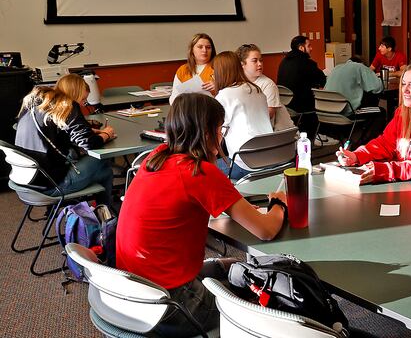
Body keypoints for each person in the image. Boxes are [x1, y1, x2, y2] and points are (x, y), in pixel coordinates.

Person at [116, 93, 286, 337]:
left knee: (240, 269)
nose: (222, 135)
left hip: (137, 290)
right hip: (173, 303)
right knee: (266, 304)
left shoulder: (155, 158)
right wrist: (279, 205)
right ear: (207, 132)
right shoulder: (198, 171)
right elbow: (266, 230)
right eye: (220, 128)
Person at [15, 74, 116, 205]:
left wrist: (87, 131)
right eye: (83, 99)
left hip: (26, 181)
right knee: (102, 159)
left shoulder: (37, 102)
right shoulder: (68, 104)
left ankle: (100, 214)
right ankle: (102, 214)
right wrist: (107, 134)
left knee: (105, 172)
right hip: (53, 184)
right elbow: (88, 143)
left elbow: (56, 130)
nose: (82, 104)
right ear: (74, 94)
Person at [213, 51, 274, 180]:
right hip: (271, 159)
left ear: (219, 73)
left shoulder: (225, 95)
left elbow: (215, 130)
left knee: (202, 168)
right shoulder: (257, 90)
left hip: (245, 165)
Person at [277, 35, 326, 141]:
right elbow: (322, 81)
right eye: (309, 46)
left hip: (286, 106)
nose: (311, 48)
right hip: (301, 108)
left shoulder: (283, 62)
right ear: (301, 48)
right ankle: (313, 139)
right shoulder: (307, 63)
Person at [237, 44, 294, 131]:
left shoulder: (268, 84)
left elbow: (269, 114)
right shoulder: (238, 83)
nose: (259, 64)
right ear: (242, 64)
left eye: (261, 60)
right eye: (254, 61)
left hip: (272, 133)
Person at [170, 33, 217, 103]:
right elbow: (174, 97)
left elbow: (231, 91)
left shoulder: (219, 67)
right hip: (187, 109)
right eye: (200, 47)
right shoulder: (183, 70)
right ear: (192, 50)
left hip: (211, 108)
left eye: (208, 47)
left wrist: (219, 86)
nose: (204, 50)